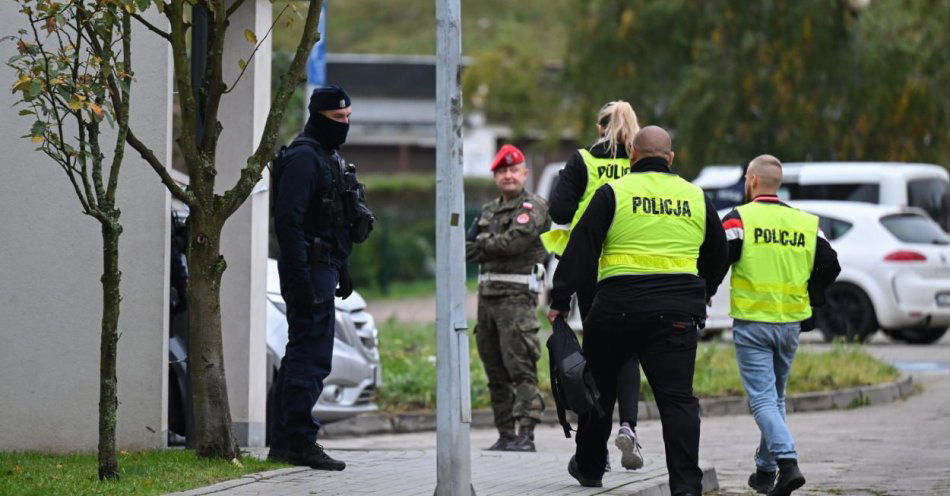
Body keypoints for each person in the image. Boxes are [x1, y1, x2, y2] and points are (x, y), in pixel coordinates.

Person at [548, 126, 728, 495]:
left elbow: (581, 247)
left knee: (599, 390)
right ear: (671, 158)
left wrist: (560, 300)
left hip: (617, 308)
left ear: (631, 155)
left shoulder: (614, 192)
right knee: (677, 400)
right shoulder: (695, 196)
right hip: (677, 313)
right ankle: (686, 486)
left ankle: (591, 466)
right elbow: (719, 253)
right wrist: (704, 291)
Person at [713, 155, 840, 496]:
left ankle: (788, 463)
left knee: (763, 401)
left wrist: (704, 292)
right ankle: (765, 471)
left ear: (752, 180)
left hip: (754, 323)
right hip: (790, 325)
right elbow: (831, 264)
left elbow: (717, 258)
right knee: (775, 398)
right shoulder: (805, 223)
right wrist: (810, 296)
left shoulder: (739, 219)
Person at [268, 85, 374, 471]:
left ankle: (286, 442)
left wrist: (340, 266)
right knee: (308, 357)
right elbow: (289, 222)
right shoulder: (304, 159)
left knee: (307, 354)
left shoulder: (327, 157)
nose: (344, 125)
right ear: (318, 117)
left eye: (348, 118)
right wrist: (301, 277)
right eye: (337, 119)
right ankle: (298, 441)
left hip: (323, 266)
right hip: (308, 270)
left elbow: (329, 221)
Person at [544, 100, 646, 470]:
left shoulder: (584, 160)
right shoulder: (642, 160)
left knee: (599, 356)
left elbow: (559, 211)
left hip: (592, 273)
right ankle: (629, 426)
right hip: (635, 271)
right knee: (630, 353)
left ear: (599, 127)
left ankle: (596, 451)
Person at [466, 144, 551, 452]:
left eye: (514, 170)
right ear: (495, 177)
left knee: (521, 369)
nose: (508, 176)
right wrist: (491, 243)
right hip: (487, 301)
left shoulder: (534, 207)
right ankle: (506, 435)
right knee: (495, 372)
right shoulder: (489, 210)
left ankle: (526, 435)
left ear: (524, 174)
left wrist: (485, 243)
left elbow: (514, 243)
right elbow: (465, 248)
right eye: (502, 171)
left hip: (517, 301)